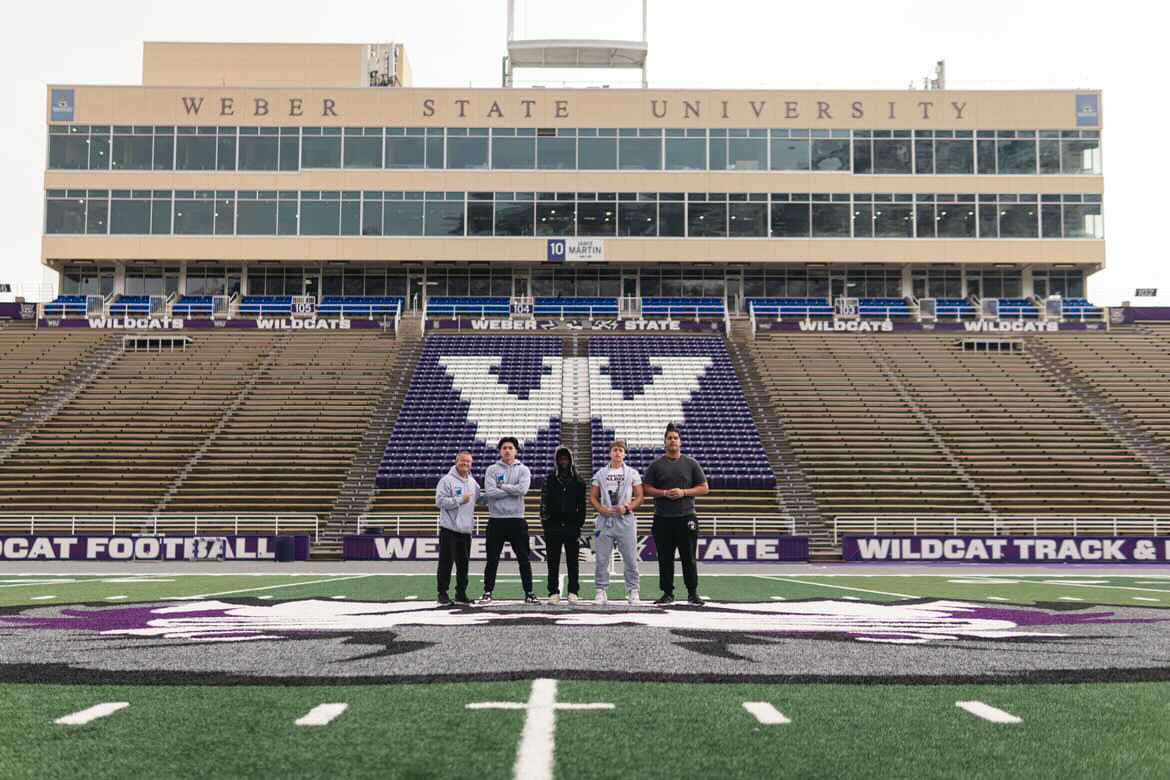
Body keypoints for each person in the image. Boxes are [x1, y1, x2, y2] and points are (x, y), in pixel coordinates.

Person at [642, 422, 709, 606]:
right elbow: (646, 488)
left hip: (686, 516)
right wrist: (663, 493)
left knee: (689, 557)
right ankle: (667, 593)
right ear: (664, 442)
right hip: (663, 518)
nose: (672, 441)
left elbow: (704, 488)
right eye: (669, 438)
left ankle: (692, 593)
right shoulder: (656, 465)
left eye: (675, 438)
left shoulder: (691, 463)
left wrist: (684, 492)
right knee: (665, 558)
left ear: (680, 442)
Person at [481, 436, 537, 604]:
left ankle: (529, 593)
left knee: (523, 559)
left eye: (510, 448)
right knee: (492, 559)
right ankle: (487, 592)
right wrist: (512, 490)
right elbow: (490, 492)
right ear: (500, 450)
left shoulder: (523, 469)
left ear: (516, 450)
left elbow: (523, 490)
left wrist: (503, 486)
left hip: (517, 520)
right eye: (504, 447)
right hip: (496, 520)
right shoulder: (492, 469)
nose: (507, 450)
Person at [590, 440, 644, 605]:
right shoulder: (600, 473)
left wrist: (627, 508)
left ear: (625, 453)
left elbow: (640, 496)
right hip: (605, 520)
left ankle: (633, 590)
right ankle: (601, 591)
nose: (618, 453)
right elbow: (593, 497)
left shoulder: (632, 473)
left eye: (621, 450)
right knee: (602, 558)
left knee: (630, 558)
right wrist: (601, 509)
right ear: (610, 453)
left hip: (625, 520)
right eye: (615, 450)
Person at [540, 445, 587, 605]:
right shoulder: (549, 479)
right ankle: (553, 592)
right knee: (552, 561)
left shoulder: (579, 481)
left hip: (572, 527)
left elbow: (582, 506)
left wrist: (578, 523)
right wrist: (546, 522)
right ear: (556, 461)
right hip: (552, 527)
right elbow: (543, 503)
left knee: (573, 561)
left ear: (571, 460)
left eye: (566, 458)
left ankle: (573, 591)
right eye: (560, 458)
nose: (563, 461)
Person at [434, 450, 479, 605]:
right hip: (449, 529)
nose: (465, 464)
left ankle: (461, 593)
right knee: (446, 562)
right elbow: (439, 501)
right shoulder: (446, 480)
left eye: (468, 462)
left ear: (471, 464)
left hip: (466, 530)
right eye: (462, 461)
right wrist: (460, 500)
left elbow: (479, 499)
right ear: (456, 461)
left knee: (463, 564)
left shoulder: (473, 482)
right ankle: (442, 593)